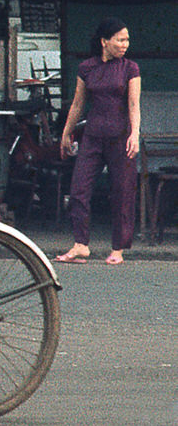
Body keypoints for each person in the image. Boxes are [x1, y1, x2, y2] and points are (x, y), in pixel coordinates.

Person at [54, 17, 141, 266]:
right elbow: (78, 104)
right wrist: (66, 133)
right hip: (92, 136)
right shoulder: (87, 68)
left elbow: (134, 105)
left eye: (127, 39)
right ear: (105, 41)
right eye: (120, 39)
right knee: (79, 189)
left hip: (120, 136)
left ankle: (118, 249)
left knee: (122, 192)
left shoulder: (130, 68)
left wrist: (135, 133)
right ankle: (81, 245)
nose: (125, 44)